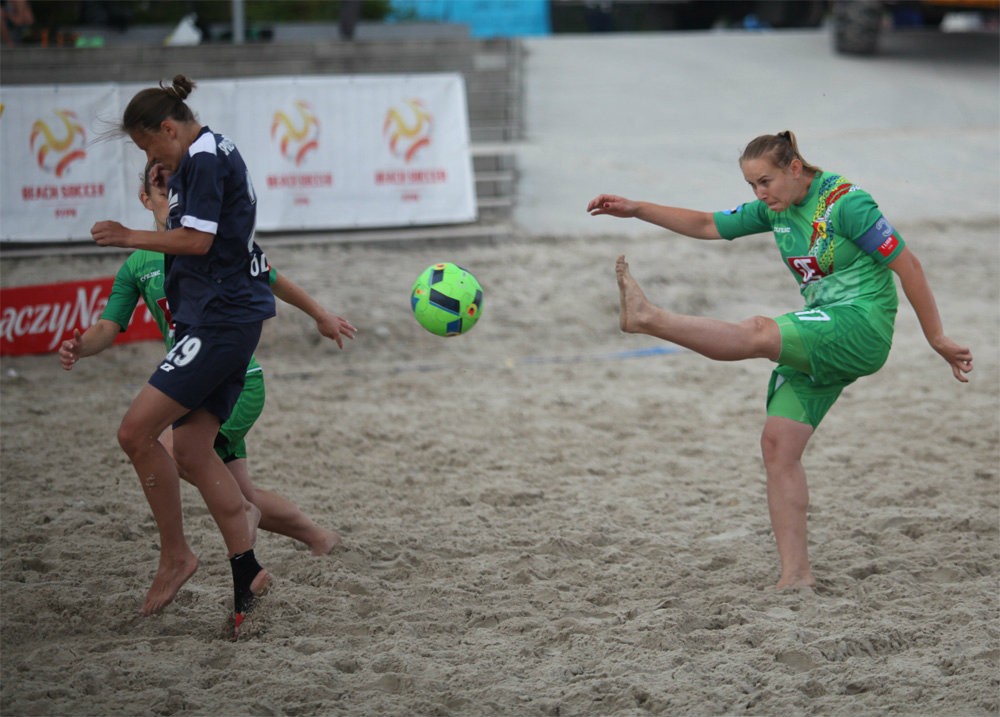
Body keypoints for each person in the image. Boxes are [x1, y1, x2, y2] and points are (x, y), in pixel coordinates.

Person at [587, 130, 973, 590]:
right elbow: (710, 225)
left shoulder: (846, 203)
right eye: (752, 185)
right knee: (777, 446)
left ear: (794, 168)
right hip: (822, 330)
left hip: (859, 326)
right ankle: (796, 576)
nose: (759, 194)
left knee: (757, 332)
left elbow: (908, 266)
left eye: (764, 182)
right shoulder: (778, 208)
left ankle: (649, 318)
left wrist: (937, 338)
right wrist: (636, 209)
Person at [61, 160, 354, 568]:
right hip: (193, 387)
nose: (173, 201)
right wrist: (81, 346)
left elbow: (270, 276)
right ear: (146, 199)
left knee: (174, 450)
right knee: (237, 491)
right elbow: (108, 328)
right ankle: (320, 537)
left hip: (234, 381)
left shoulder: (212, 242)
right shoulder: (136, 267)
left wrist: (319, 314)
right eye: (164, 194)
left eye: (179, 193)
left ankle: (187, 551)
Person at [87, 74, 279, 637]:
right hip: (221, 317)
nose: (152, 160)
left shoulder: (203, 159)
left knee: (135, 433)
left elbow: (196, 242)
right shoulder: (206, 154)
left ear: (168, 128)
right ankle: (248, 572)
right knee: (193, 449)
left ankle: (176, 555)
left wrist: (129, 235)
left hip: (219, 321)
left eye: (150, 147)